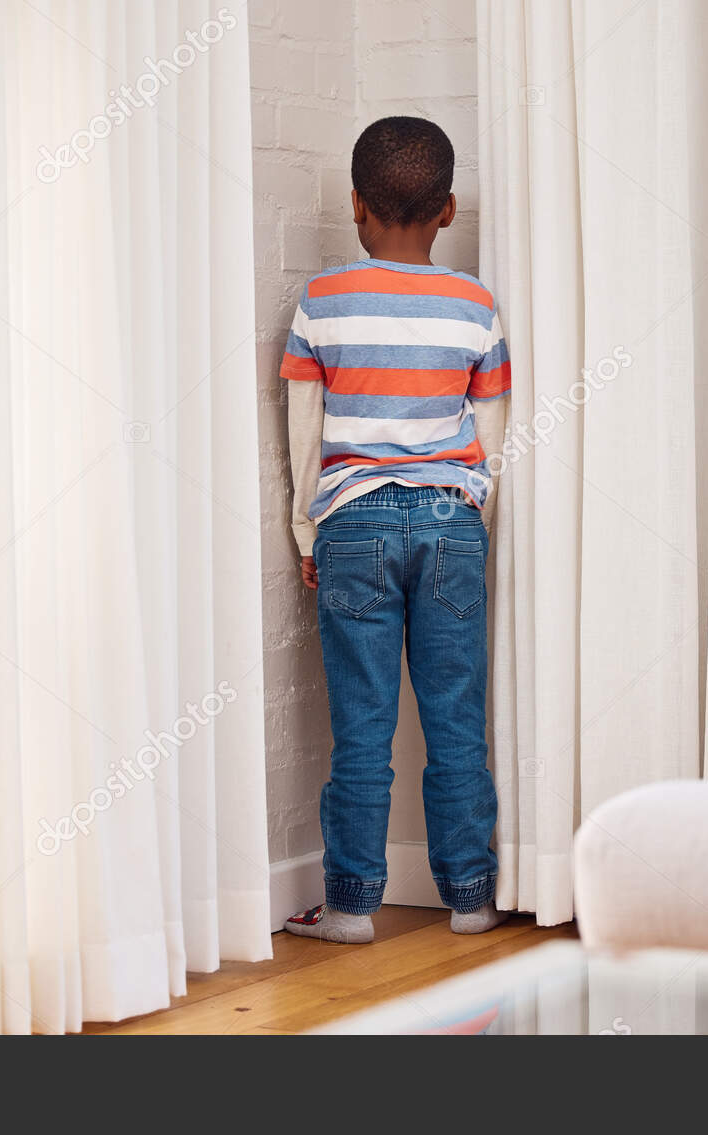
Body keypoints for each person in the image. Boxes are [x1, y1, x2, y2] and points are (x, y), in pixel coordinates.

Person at [279, 116, 510, 943]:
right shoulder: (476, 305)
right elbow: (493, 421)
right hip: (452, 519)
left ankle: (349, 905)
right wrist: (470, 503)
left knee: (362, 725)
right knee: (456, 719)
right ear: (447, 211)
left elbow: (305, 431)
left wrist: (311, 535)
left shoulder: (322, 300)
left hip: (354, 521)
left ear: (355, 206)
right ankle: (471, 897)